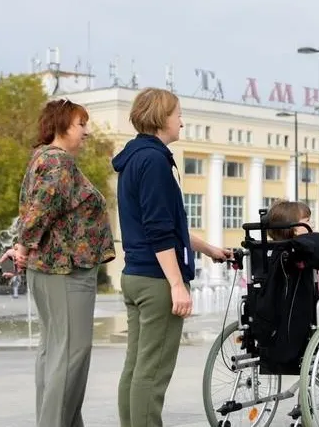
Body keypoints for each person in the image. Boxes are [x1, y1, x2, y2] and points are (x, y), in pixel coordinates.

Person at [112, 88, 230, 427]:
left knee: (136, 367)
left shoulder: (134, 158)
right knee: (152, 373)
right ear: (163, 118)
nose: (182, 120)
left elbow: (166, 225)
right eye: (178, 114)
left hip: (136, 275)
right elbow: (159, 231)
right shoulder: (154, 162)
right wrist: (177, 284)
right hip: (156, 281)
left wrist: (208, 250)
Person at [0, 98, 115, 427]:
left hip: (51, 268)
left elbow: (35, 209)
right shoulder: (59, 162)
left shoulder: (42, 158)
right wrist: (21, 247)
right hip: (66, 270)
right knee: (71, 355)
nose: (87, 132)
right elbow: (41, 209)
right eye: (81, 125)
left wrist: (21, 247)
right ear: (62, 125)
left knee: (54, 352)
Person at [266, 200, 319, 295]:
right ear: (294, 229)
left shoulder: (267, 252)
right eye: (308, 220)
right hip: (307, 306)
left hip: (272, 306)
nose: (312, 224)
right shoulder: (308, 252)